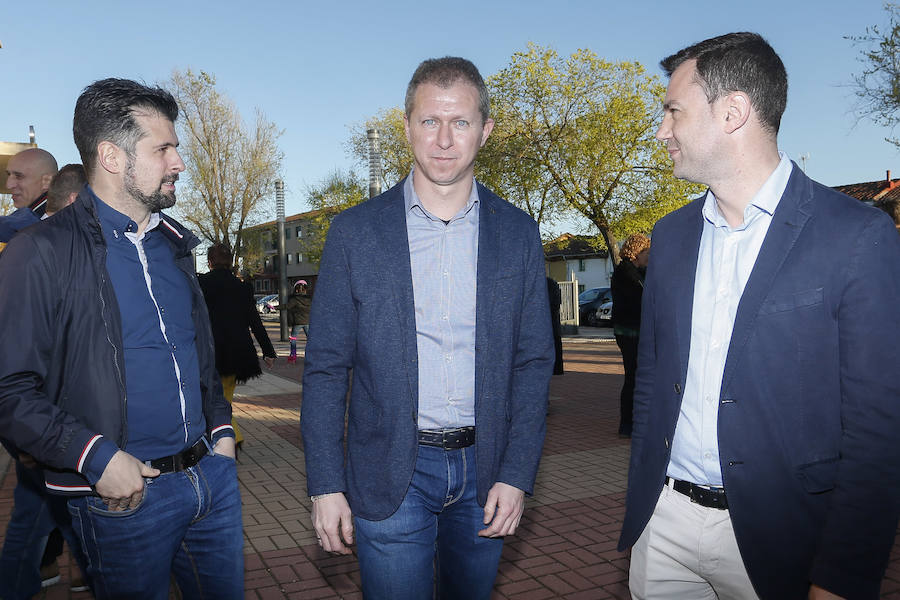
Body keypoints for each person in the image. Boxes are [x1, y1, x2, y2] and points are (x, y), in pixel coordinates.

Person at [618, 32, 900, 600]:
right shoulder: (670, 237)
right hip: (664, 524)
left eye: (674, 111)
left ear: (733, 112)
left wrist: (843, 574)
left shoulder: (855, 235)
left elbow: (879, 424)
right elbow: (651, 378)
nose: (661, 131)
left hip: (782, 534)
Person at [301, 56, 554, 599]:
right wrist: (325, 483)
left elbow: (533, 361)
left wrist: (517, 472)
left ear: (485, 130)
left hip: (487, 472)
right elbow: (325, 368)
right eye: (429, 121)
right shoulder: (355, 233)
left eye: (460, 122)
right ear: (407, 126)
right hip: (389, 470)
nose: (443, 139)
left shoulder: (517, 233)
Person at [0, 78, 243, 599]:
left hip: (212, 480)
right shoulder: (39, 252)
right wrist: (95, 458)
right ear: (112, 156)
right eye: (163, 148)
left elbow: (200, 358)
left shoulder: (175, 247)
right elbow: (10, 390)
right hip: (122, 498)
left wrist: (222, 433)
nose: (179, 162)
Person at [199, 242, 277, 448]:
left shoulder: (201, 284)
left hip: (210, 351)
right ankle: (229, 437)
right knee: (225, 396)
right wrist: (268, 351)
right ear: (230, 262)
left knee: (212, 399)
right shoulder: (242, 287)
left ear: (210, 262)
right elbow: (255, 321)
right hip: (237, 352)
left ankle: (232, 437)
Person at [609, 233, 649, 438]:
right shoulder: (625, 273)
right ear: (636, 252)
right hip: (629, 331)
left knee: (636, 375)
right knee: (633, 375)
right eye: (646, 252)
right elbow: (638, 300)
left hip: (633, 329)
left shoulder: (636, 272)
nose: (649, 256)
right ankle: (627, 424)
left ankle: (633, 421)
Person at [0, 147, 57, 249]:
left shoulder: (44, 219)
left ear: (47, 181)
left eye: (19, 176)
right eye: (9, 174)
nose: (9, 185)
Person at [284, 279, 311, 362]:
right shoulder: (309, 299)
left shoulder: (294, 299)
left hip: (297, 322)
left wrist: (274, 307)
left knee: (293, 338)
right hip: (307, 321)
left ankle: (293, 355)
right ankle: (311, 355)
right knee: (310, 339)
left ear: (296, 289)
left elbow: (287, 306)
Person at [546, 277, 564, 375]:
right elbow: (557, 303)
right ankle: (557, 368)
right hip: (553, 321)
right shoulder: (552, 283)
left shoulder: (545, 284)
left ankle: (555, 368)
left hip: (548, 321)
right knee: (556, 342)